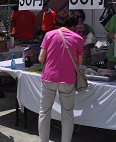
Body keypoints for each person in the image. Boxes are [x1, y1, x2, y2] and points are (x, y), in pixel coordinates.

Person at [38, 10, 84, 142]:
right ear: (74, 24)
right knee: (68, 113)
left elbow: (41, 58)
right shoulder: (78, 38)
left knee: (44, 112)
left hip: (49, 77)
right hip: (68, 79)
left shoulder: (49, 35)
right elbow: (79, 62)